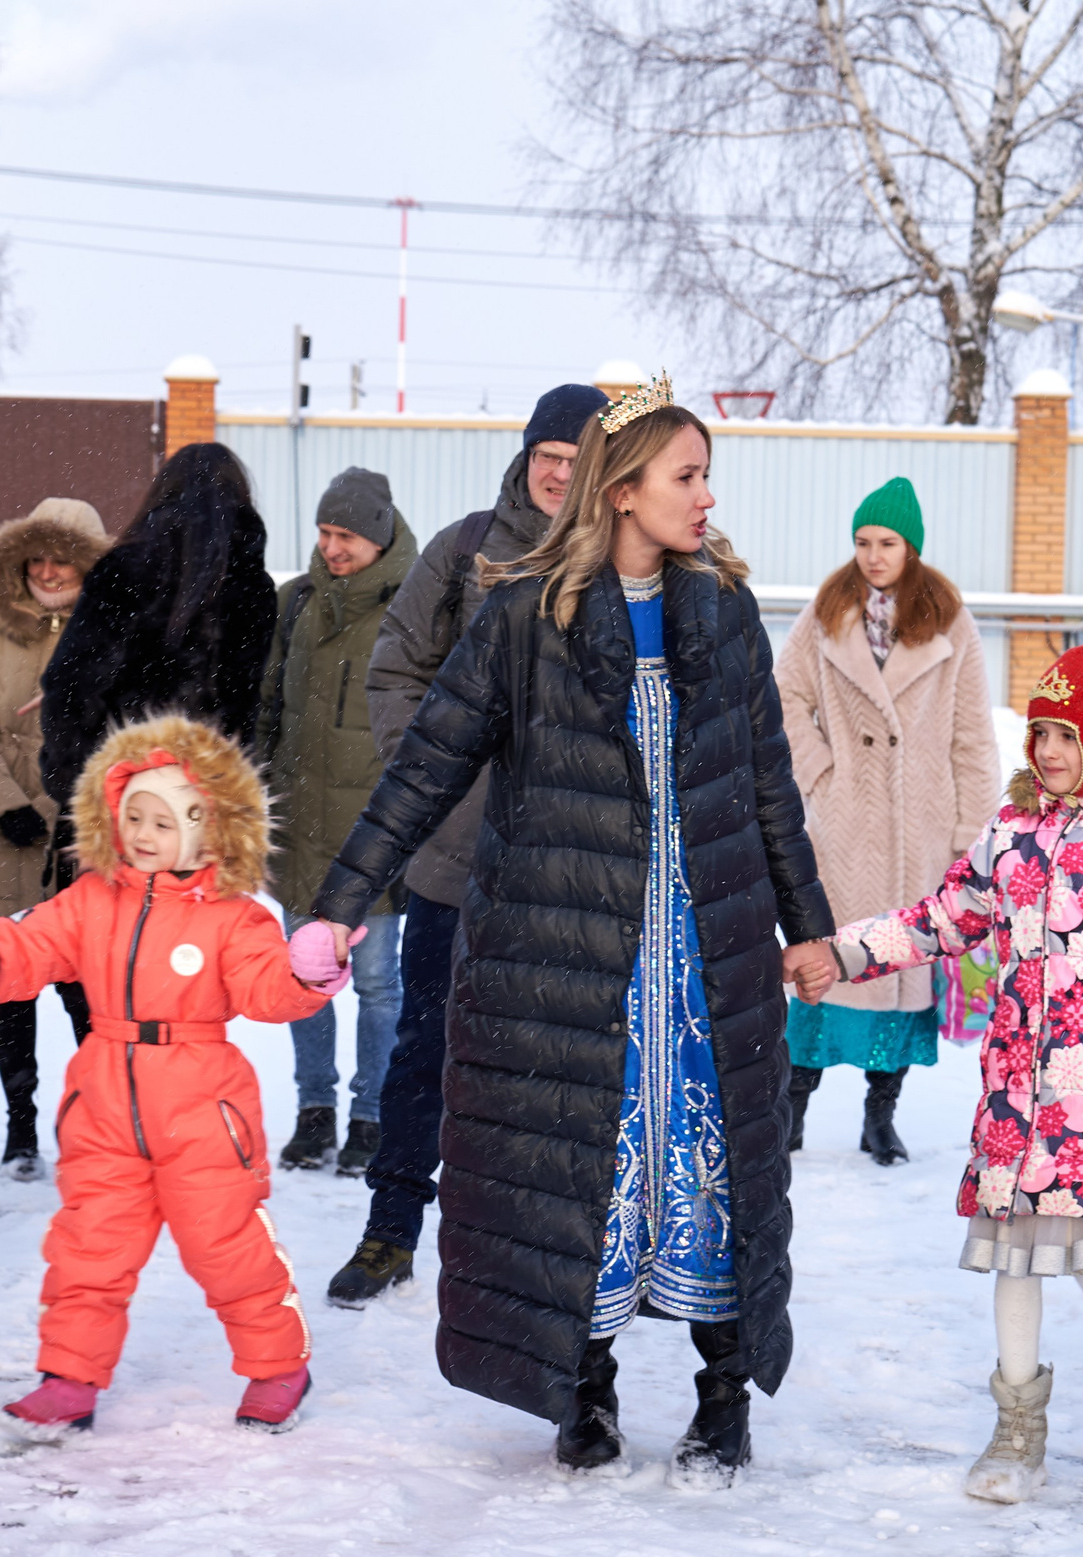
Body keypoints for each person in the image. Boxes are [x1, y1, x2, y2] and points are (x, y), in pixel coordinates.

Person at [300, 377, 834, 1484]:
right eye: (685, 475)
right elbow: (425, 765)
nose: (704, 496)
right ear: (624, 488)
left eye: (703, 477)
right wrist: (341, 901)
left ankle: (722, 1390)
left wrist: (808, 926)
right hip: (568, 954)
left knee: (714, 1165)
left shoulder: (724, 612)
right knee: (570, 1162)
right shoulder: (523, 612)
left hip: (703, 950)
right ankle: (580, 1388)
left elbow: (768, 782)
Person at [818, 618, 1083, 1505]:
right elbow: (942, 915)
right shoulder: (1014, 833)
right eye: (1038, 730)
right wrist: (845, 953)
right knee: (1013, 1268)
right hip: (1016, 1106)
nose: (1045, 748)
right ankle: (1017, 1430)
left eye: (1065, 734)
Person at [0, 714, 334, 1440]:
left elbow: (267, 989)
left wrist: (308, 971)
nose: (145, 833)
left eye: (167, 819)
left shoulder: (235, 919)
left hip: (205, 1110)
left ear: (212, 830)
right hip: (104, 1104)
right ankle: (69, 1378)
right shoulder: (91, 900)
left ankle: (278, 1364)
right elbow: (33, 943)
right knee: (89, 1245)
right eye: (135, 816)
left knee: (227, 1246)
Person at [325, 380, 609, 1306]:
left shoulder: (626, 559)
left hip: (574, 863)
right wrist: (434, 768)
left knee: (558, 1061)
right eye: (548, 459)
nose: (560, 477)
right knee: (427, 1043)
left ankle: (542, 1247)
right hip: (459, 853)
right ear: (528, 458)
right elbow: (396, 663)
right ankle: (391, 1226)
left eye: (577, 462)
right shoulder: (463, 548)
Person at [775, 475, 997, 1165]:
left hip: (919, 831)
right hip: (844, 830)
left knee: (901, 968)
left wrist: (971, 839)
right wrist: (820, 773)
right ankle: (792, 1107)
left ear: (913, 548)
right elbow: (783, 696)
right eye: (863, 541)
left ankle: (881, 1114)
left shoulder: (950, 620)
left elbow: (972, 736)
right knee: (826, 965)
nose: (873, 555)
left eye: (888, 542)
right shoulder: (826, 612)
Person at [257, 468, 414, 1175]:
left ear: (378, 536)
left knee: (379, 983)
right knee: (302, 979)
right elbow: (266, 712)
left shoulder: (416, 608)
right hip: (300, 831)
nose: (331, 547)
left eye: (345, 534)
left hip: (374, 835)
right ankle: (314, 1111)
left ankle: (373, 1115)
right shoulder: (295, 604)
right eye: (324, 533)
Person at [0, 498, 109, 1181]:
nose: (48, 569)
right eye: (37, 555)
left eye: (62, 555)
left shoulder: (113, 633)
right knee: (9, 989)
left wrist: (92, 816)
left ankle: (90, 1124)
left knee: (86, 993)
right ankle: (20, 1126)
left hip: (81, 841)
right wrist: (7, 804)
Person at [38, 442, 277, 816]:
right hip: (203, 803)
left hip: (118, 792)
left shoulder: (122, 569)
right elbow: (243, 707)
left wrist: (70, 783)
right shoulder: (253, 588)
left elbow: (71, 685)